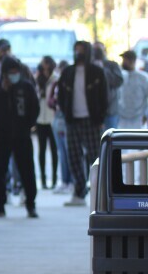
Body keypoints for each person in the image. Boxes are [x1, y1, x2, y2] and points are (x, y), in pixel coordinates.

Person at [0, 57, 40, 218]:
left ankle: (31, 204)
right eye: (11, 73)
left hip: (22, 135)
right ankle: (0, 205)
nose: (14, 75)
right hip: (1, 135)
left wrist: (28, 125)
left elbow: (34, 108)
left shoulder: (26, 86)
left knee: (27, 170)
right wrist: (3, 90)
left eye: (16, 72)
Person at [56, 41, 108, 207]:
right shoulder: (68, 72)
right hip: (72, 120)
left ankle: (101, 192)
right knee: (73, 156)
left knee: (96, 156)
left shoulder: (97, 73)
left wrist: (100, 118)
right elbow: (61, 96)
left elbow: (104, 97)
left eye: (82, 50)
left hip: (92, 120)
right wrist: (65, 113)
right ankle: (79, 191)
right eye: (76, 50)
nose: (79, 53)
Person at [50, 61, 74, 195]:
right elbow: (50, 100)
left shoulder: (69, 85)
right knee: (62, 153)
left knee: (69, 152)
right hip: (57, 120)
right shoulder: (57, 84)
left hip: (66, 121)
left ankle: (71, 181)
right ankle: (65, 180)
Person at [35, 56, 58, 190]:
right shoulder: (38, 79)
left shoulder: (55, 79)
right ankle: (43, 179)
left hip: (52, 119)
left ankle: (54, 179)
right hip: (40, 119)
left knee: (54, 150)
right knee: (41, 149)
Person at [93, 42, 123, 129]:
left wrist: (103, 69)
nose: (96, 53)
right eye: (94, 50)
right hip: (94, 111)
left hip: (110, 110)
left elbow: (118, 81)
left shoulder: (112, 65)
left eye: (99, 50)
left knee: (111, 139)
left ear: (104, 51)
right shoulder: (89, 66)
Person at [118, 50, 148, 130]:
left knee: (137, 140)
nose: (123, 62)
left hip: (138, 118)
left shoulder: (143, 78)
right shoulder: (120, 76)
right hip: (122, 117)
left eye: (125, 60)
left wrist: (146, 114)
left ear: (132, 61)